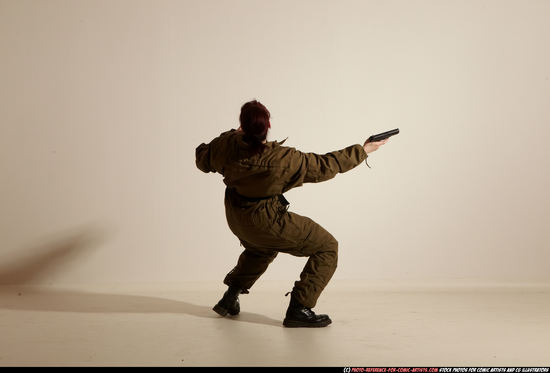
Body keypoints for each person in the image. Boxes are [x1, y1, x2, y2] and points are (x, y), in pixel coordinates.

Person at [195, 100, 390, 328]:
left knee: (261, 249)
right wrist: (363, 150)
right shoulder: (282, 159)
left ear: (242, 124)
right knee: (327, 247)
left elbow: (202, 159)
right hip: (265, 220)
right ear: (267, 126)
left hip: (237, 217)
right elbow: (325, 165)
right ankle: (299, 308)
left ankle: (230, 298)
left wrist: (230, 136)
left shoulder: (226, 146)